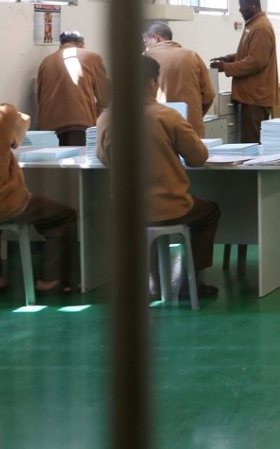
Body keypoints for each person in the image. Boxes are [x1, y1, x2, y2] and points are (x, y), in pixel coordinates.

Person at [96, 56, 221, 299]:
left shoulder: (106, 119)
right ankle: (190, 281)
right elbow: (199, 157)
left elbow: (103, 158)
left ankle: (149, 282)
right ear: (154, 83)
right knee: (209, 211)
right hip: (167, 206)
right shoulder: (168, 116)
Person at [0, 103, 78, 295]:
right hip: (7, 203)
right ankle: (50, 280)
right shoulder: (5, 115)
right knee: (64, 216)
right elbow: (21, 125)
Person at [210, 0, 278, 143]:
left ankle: (254, 169)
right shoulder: (253, 25)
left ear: (254, 6)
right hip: (250, 96)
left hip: (255, 98)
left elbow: (255, 62)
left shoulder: (261, 27)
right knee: (249, 140)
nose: (240, 10)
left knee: (252, 143)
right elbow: (248, 54)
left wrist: (225, 67)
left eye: (243, 6)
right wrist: (228, 59)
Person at [36, 30, 110, 146]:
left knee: (53, 164)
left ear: (60, 45)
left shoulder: (45, 62)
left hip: (47, 130)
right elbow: (105, 97)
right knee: (77, 162)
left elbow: (40, 97)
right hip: (78, 124)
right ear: (81, 44)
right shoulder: (92, 57)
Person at [143, 21, 216, 137]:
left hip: (158, 127)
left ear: (155, 37)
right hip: (191, 127)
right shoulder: (192, 56)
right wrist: (195, 114)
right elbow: (209, 94)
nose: (146, 47)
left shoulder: (146, 58)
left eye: (146, 42)